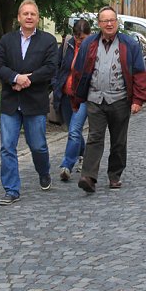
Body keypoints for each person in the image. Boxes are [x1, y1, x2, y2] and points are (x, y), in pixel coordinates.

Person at [71, 6, 146, 193]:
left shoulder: (129, 44)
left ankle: (115, 175)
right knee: (95, 137)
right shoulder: (89, 43)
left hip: (120, 99)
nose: (109, 23)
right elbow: (78, 71)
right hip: (95, 98)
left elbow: (139, 72)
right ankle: (88, 176)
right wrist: (76, 97)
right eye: (104, 20)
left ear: (117, 22)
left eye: (112, 20)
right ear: (99, 24)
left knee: (118, 140)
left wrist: (138, 99)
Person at [0, 0, 59, 205]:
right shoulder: (7, 40)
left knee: (38, 146)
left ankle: (44, 171)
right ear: (19, 18)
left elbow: (50, 67)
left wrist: (28, 80)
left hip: (35, 102)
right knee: (7, 147)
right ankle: (11, 189)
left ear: (38, 18)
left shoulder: (48, 41)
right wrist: (15, 78)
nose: (29, 17)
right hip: (11, 102)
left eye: (33, 14)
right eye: (25, 14)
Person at [54, 19, 93, 181]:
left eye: (82, 38)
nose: (79, 41)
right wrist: (55, 84)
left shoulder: (93, 49)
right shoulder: (66, 46)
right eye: (77, 37)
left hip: (82, 97)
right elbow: (56, 66)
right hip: (65, 94)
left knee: (74, 131)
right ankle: (82, 154)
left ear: (89, 35)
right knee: (72, 129)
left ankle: (66, 166)